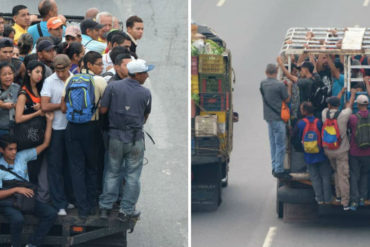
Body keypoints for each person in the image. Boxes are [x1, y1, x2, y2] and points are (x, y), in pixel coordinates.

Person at [98, 58, 153, 221]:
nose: (147, 76)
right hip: (135, 139)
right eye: (145, 73)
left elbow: (103, 110)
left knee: (112, 172)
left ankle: (105, 207)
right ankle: (126, 210)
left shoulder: (113, 87)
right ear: (137, 75)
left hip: (115, 137)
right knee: (132, 176)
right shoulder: (145, 93)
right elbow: (145, 116)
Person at [61, 51, 107, 220]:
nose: (101, 67)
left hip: (72, 127)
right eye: (99, 64)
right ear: (89, 65)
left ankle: (82, 207)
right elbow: (105, 108)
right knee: (92, 167)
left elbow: (64, 108)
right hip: (91, 127)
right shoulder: (101, 81)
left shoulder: (70, 80)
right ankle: (93, 202)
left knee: (76, 167)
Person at [0, 113, 57, 247]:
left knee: (50, 213)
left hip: (26, 200)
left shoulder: (22, 157)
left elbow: (46, 144)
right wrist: (16, 189)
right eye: (10, 149)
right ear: (2, 150)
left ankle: (33, 244)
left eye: (15, 149)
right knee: (18, 219)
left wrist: (49, 121)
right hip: (9, 203)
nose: (14, 152)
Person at [41, 54, 73, 216]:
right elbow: (44, 105)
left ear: (69, 67)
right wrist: (61, 105)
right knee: (55, 167)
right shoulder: (49, 81)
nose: (60, 74)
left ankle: (70, 199)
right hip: (55, 129)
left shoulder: (74, 80)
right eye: (57, 71)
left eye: (63, 70)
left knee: (71, 166)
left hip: (72, 128)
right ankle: (59, 203)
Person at [321, 92, 355, 210]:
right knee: (343, 175)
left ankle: (339, 195)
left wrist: (337, 97)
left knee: (336, 172)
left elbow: (332, 105)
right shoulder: (344, 115)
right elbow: (349, 107)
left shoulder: (324, 113)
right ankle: (345, 203)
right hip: (341, 150)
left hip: (328, 150)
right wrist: (352, 96)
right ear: (339, 105)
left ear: (329, 105)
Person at [15, 61, 46, 184]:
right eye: (37, 72)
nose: (40, 75)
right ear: (28, 72)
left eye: (42, 73)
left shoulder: (40, 89)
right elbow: (18, 118)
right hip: (27, 137)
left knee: (38, 167)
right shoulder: (23, 94)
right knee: (30, 168)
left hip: (39, 134)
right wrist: (37, 113)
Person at [296, 101, 333, 205]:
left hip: (309, 155)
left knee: (315, 178)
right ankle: (328, 198)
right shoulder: (318, 122)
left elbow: (297, 138)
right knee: (325, 176)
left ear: (305, 111)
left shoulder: (301, 123)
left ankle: (319, 198)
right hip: (321, 153)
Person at [260, 63, 291, 178]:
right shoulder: (279, 85)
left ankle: (274, 166)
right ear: (276, 72)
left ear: (266, 72)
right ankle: (279, 169)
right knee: (280, 145)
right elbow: (287, 99)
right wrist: (288, 88)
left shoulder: (262, 84)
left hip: (268, 117)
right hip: (278, 118)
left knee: (273, 144)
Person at [348, 95, 370, 210]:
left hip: (355, 152)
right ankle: (363, 198)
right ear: (367, 105)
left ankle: (354, 201)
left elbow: (348, 130)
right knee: (365, 174)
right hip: (368, 153)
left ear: (358, 105)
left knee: (354, 175)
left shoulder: (352, 118)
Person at [0, 62, 20, 136]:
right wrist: (3, 105)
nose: (8, 77)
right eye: (4, 74)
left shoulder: (17, 88)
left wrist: (15, 105)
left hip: (15, 128)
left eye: (10, 73)